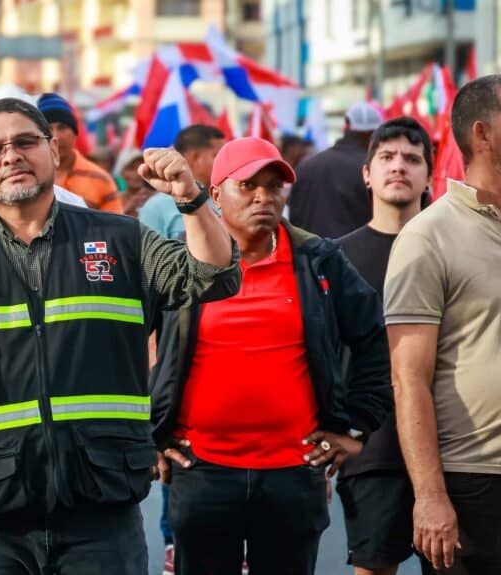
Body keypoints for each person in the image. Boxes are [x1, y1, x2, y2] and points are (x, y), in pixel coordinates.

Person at [0, 97, 238, 575]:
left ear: (52, 150)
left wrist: (191, 199)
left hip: (100, 505)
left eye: (26, 142)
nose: (11, 156)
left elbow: (213, 276)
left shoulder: (120, 239)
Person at [152, 137, 391, 575]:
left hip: (292, 473)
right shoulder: (181, 262)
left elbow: (375, 337)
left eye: (275, 185)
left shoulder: (318, 260)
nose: (265, 196)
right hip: (202, 470)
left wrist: (356, 425)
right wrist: (148, 434)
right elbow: (123, 343)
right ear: (217, 194)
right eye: (249, 185)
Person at [385, 74, 501, 574]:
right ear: (481, 135)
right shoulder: (428, 238)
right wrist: (431, 497)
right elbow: (408, 380)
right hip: (474, 483)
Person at [334, 117, 433, 575]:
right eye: (387, 157)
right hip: (371, 451)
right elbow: (320, 354)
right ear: (367, 173)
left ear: (429, 175)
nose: (400, 167)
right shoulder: (334, 257)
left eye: (412, 159)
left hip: (452, 449)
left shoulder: (447, 250)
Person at [289, 102, 382, 238]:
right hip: (353, 256)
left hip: (308, 255)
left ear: (346, 128)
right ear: (374, 134)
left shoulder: (306, 166)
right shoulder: (371, 169)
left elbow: (295, 219)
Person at [37, 93, 123, 213]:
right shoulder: (29, 178)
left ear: (75, 133)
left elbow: (116, 228)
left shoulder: (101, 180)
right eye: (48, 129)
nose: (56, 136)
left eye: (62, 127)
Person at [139, 125, 227, 240]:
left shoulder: (227, 199)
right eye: (218, 155)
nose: (225, 162)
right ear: (195, 158)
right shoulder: (156, 207)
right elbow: (147, 255)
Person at [114, 147, 156, 217]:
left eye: (140, 167)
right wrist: (129, 208)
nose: (137, 174)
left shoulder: (157, 198)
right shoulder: (114, 200)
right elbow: (110, 225)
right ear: (121, 172)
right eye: (131, 169)